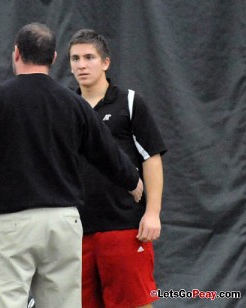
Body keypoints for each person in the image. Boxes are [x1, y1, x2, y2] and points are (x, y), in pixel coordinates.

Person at [0, 22, 144, 308]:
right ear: (53, 58)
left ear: (16, 54)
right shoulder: (74, 104)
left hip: (10, 224)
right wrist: (133, 182)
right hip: (64, 222)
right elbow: (107, 151)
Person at [68, 29, 167, 308]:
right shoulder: (66, 108)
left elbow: (152, 158)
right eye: (75, 58)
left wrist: (152, 213)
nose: (81, 65)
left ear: (106, 62)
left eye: (89, 57)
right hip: (76, 233)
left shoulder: (130, 102)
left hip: (125, 228)